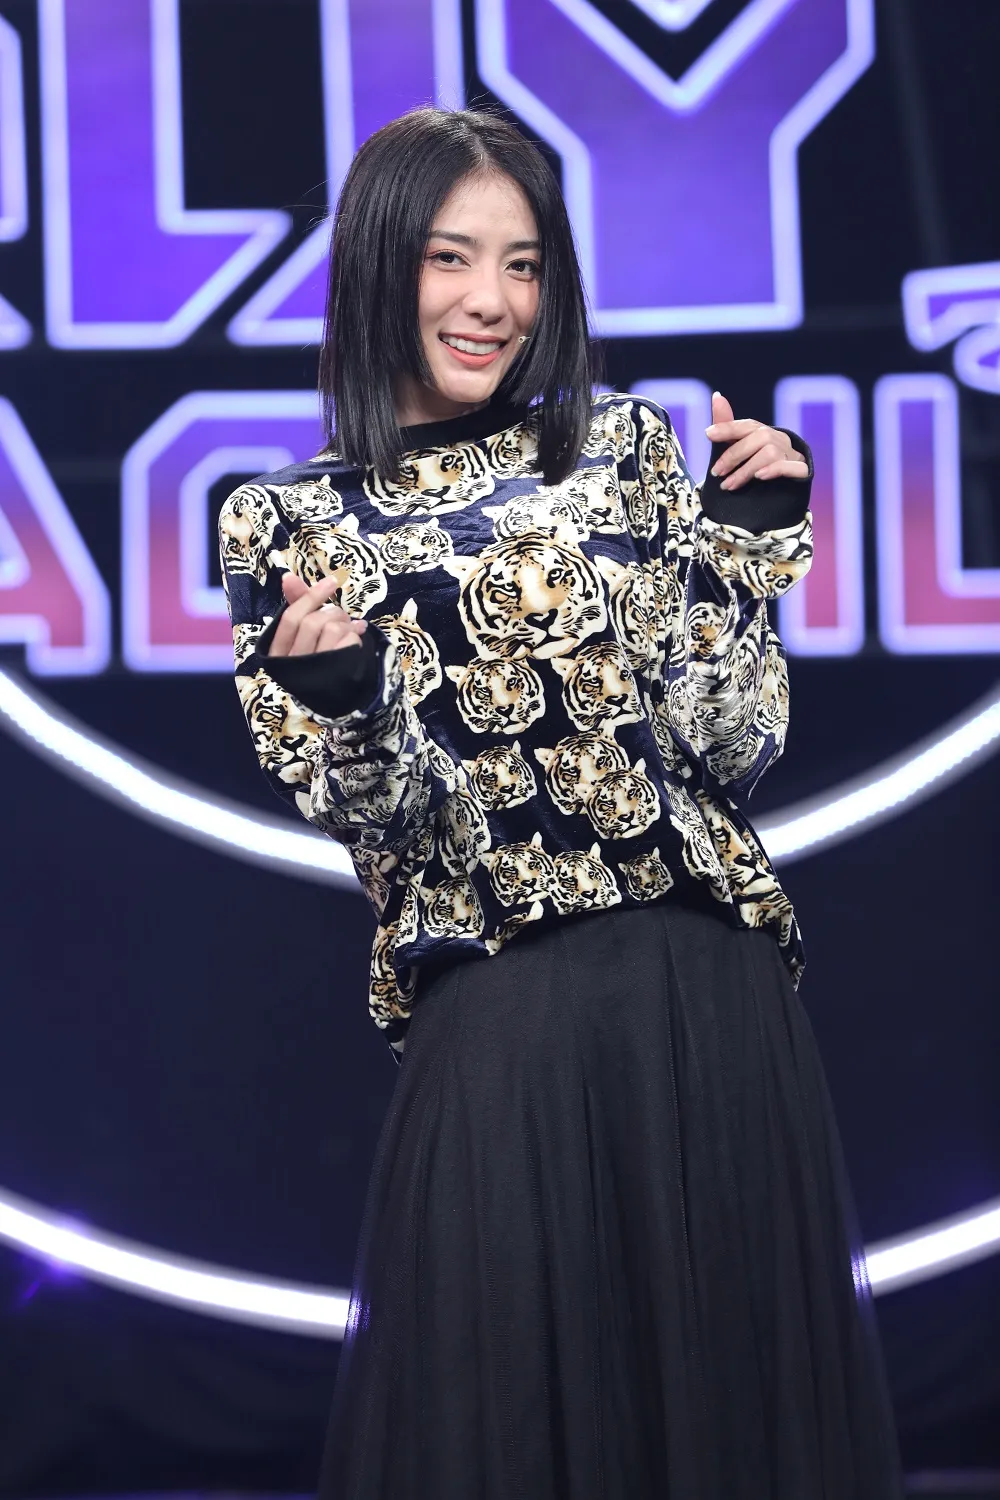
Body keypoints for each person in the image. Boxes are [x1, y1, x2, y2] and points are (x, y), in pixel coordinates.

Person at [220, 107, 901, 1499]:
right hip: (503, 1011)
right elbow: (391, 829)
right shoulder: (285, 525)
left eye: (523, 264)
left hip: (706, 992)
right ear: (379, 263)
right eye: (451, 257)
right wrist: (354, 701)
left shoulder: (630, 450)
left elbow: (733, 745)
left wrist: (744, 559)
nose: (492, 300)